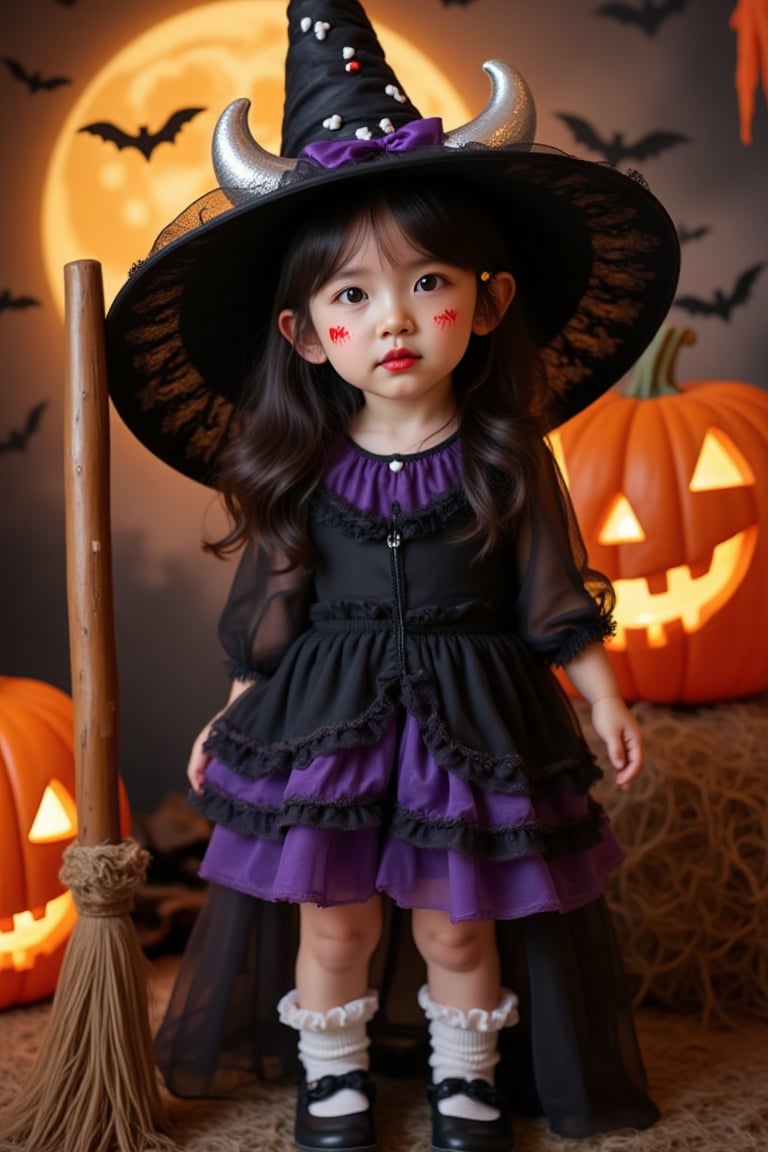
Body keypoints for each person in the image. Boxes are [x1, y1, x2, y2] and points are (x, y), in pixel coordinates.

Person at [105, 3, 680, 1150]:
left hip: (477, 709)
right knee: (337, 920)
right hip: (328, 714)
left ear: (488, 301)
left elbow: (552, 592)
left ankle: (467, 1081)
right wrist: (236, 713)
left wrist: (604, 691)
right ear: (309, 334)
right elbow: (273, 606)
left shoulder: (508, 454)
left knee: (457, 924)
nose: (396, 319)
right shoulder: (305, 469)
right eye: (354, 296)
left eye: (428, 284)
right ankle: (338, 1081)